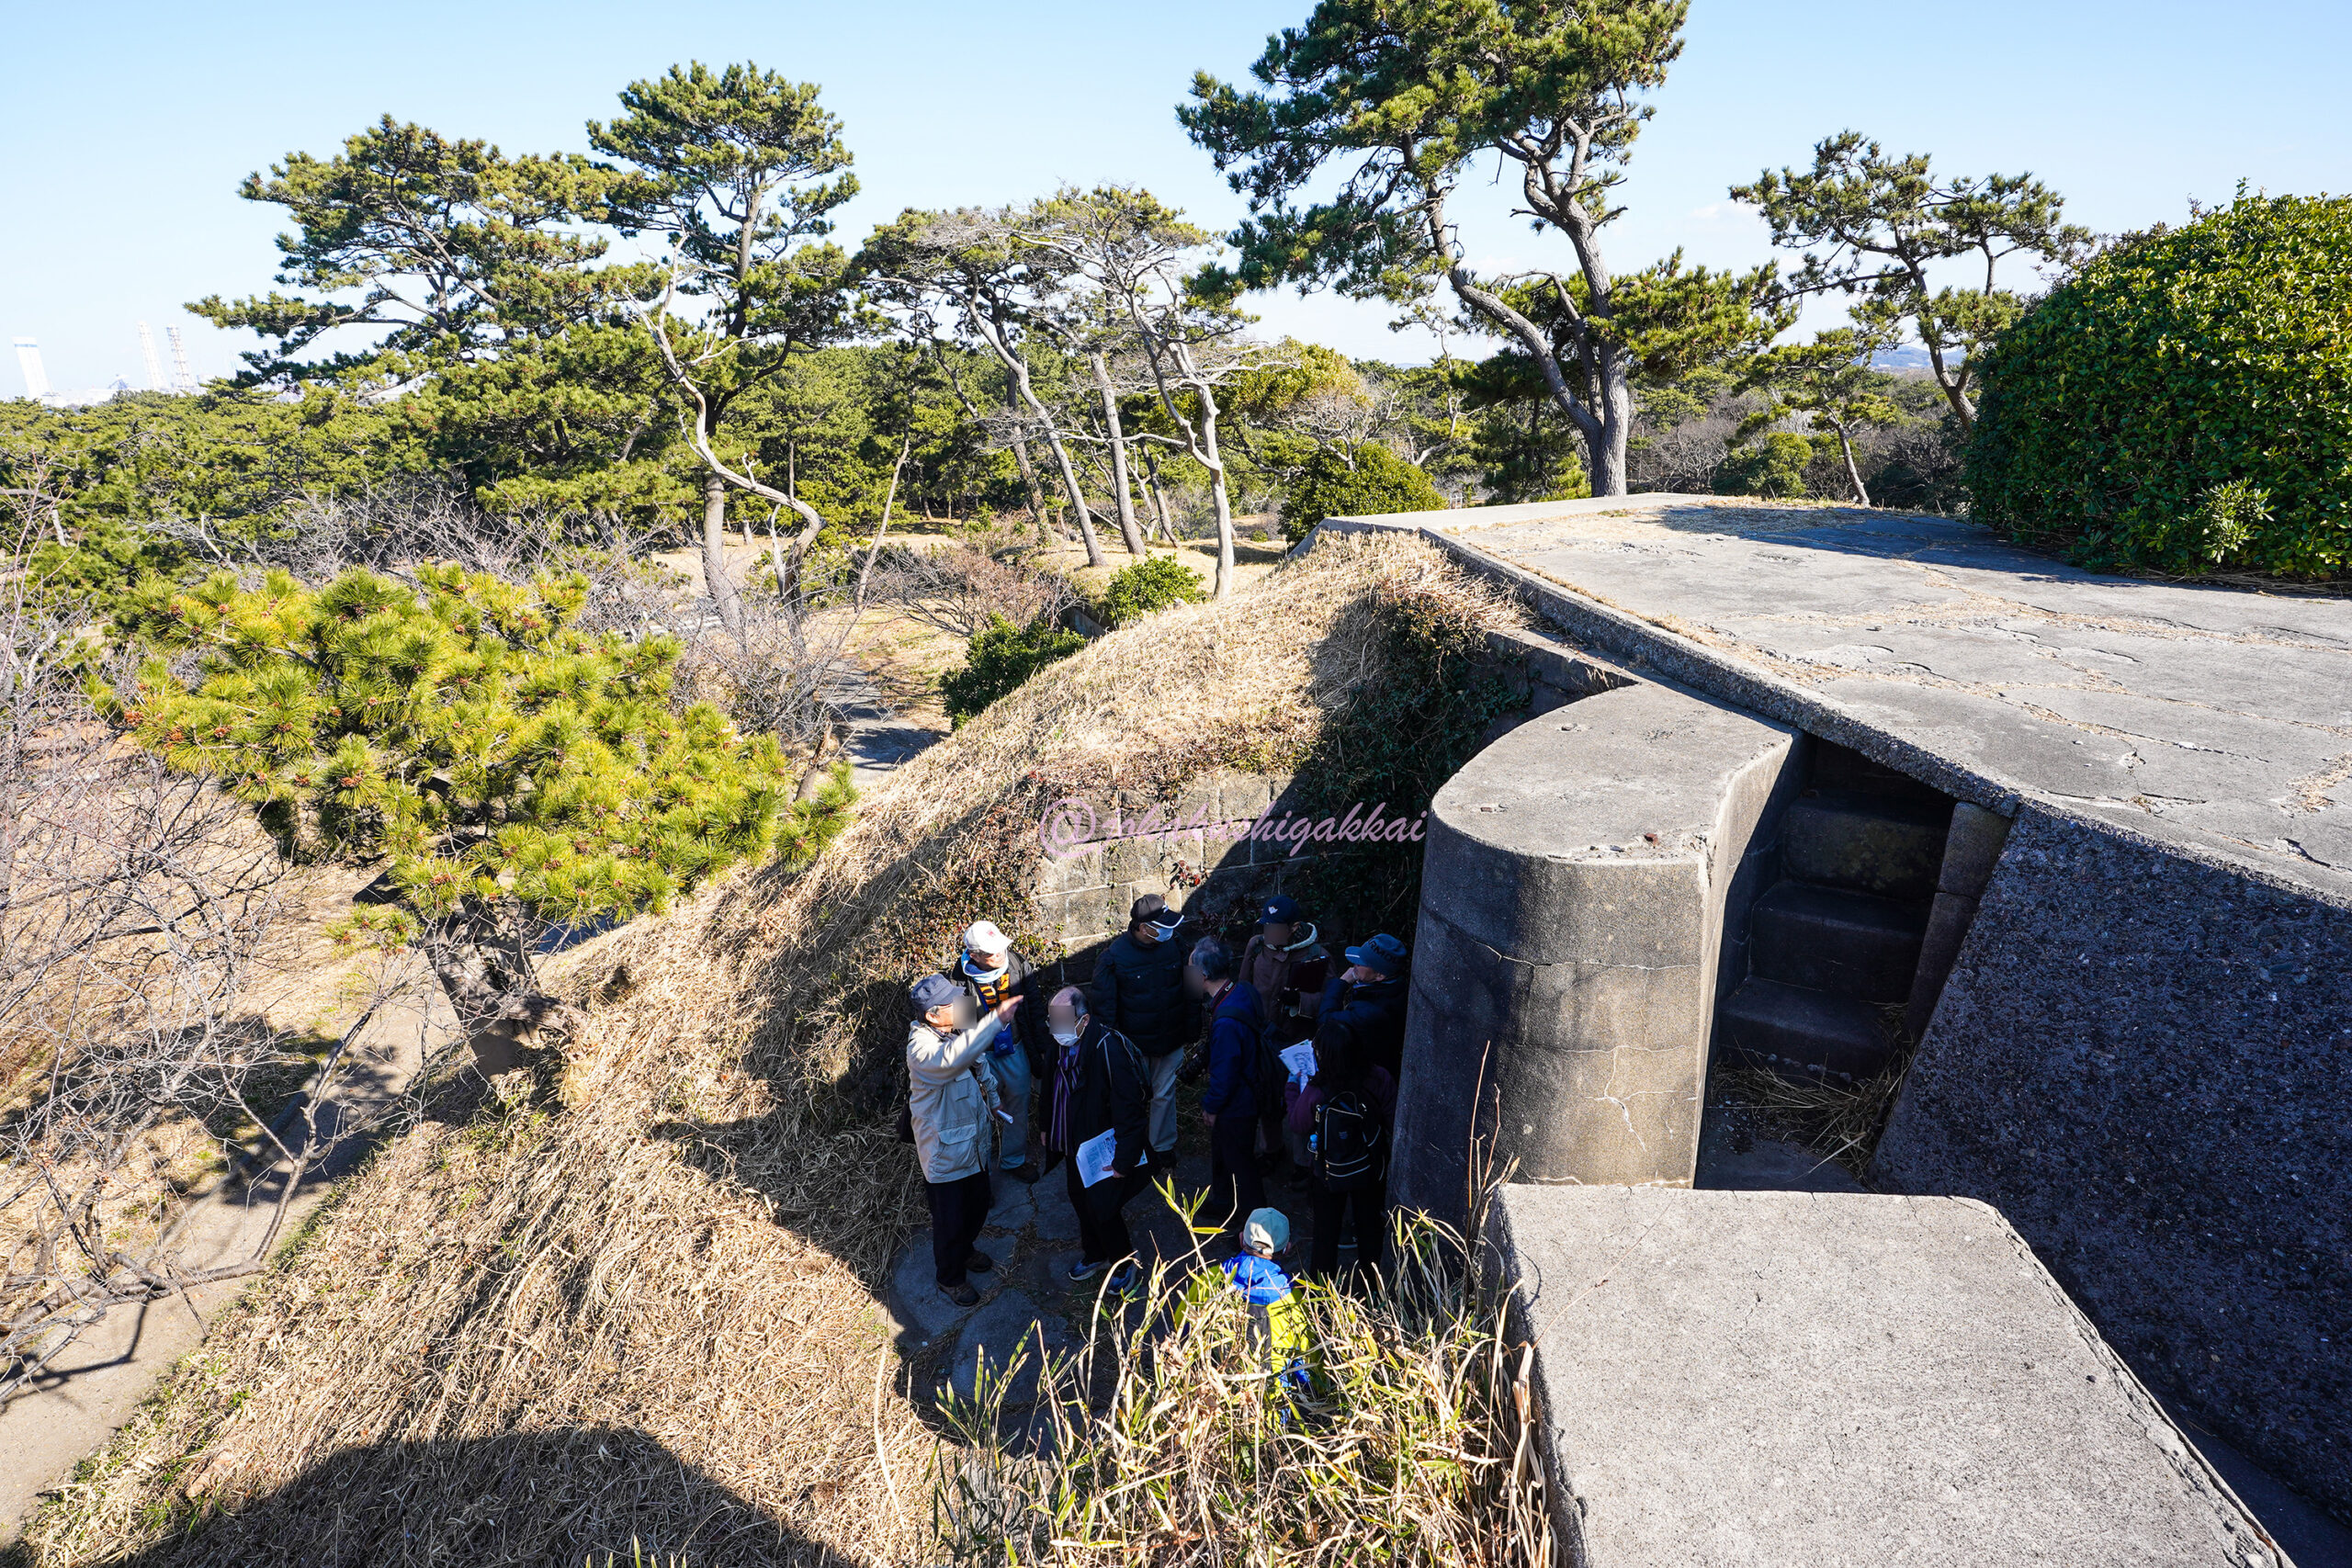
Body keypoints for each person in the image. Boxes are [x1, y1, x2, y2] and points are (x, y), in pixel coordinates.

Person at [906, 972, 1020, 1307]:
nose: (962, 1004)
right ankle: (950, 1277)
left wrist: (993, 1098)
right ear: (933, 1015)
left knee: (978, 1205)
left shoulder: (956, 1023)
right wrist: (994, 1022)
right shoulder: (920, 1049)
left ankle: (966, 1250)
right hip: (945, 1154)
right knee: (950, 1221)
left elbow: (978, 1060)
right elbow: (953, 1058)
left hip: (974, 1143)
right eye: (952, 1002)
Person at [1038, 985, 1151, 1291]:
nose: (1056, 1028)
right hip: (1070, 1143)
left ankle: (1125, 1262)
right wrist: (1046, 1126)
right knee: (1078, 1198)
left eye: (1062, 1021)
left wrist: (1124, 1160)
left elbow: (1130, 1110)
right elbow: (1048, 1088)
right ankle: (1096, 1253)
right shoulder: (1057, 1044)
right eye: (1052, 1021)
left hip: (1100, 1147)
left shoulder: (1108, 1048)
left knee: (1103, 1206)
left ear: (1084, 1020)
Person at [1287, 1014, 1396, 1287]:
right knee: (1370, 1230)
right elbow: (1393, 1118)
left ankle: (1320, 1296)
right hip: (1370, 1167)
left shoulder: (1317, 1089)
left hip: (1327, 1171)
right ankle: (1374, 1289)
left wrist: (1292, 1086)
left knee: (1325, 1235)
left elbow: (1298, 1123)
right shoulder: (1378, 1077)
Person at [1089, 894, 1191, 1160]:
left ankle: (1161, 1149)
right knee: (1131, 1097)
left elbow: (1190, 990)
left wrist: (1191, 1028)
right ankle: (1131, 1149)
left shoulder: (1176, 945)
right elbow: (1105, 1009)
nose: (1169, 931)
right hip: (1134, 1047)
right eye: (1163, 927)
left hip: (1170, 1038)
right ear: (1144, 928)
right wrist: (1115, 1049)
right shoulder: (1114, 958)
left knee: (1164, 1094)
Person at [1238, 894, 1330, 1181]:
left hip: (1298, 1042)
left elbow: (1331, 1000)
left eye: (1275, 928)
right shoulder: (1256, 947)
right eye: (1266, 926)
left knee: (1301, 1103)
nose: (1269, 933)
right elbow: (1243, 986)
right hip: (1264, 1039)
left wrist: (1300, 1001)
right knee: (1266, 1097)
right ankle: (1271, 1150)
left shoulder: (1316, 954)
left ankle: (1304, 1163)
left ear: (1293, 928)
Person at [954, 919, 1046, 1184]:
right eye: (993, 953)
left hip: (1016, 1048)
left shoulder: (1016, 963)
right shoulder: (960, 979)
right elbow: (963, 1028)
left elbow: (1035, 1007)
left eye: (1002, 948)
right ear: (975, 956)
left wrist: (1042, 1048)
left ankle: (1013, 1159)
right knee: (981, 1114)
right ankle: (981, 1175)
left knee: (1019, 1103)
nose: (1001, 955)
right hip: (984, 1055)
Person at [1190, 934, 1265, 1235]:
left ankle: (1256, 1231)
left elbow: (1225, 1073)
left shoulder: (1225, 1023)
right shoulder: (1240, 991)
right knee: (1223, 1153)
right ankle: (1222, 1201)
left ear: (1203, 975)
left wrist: (1211, 1107)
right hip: (1247, 1092)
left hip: (1237, 1105)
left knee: (1242, 1167)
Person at [1223, 1207, 1313, 1395]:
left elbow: (1183, 1327)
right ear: (1287, 1249)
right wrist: (1315, 1391)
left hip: (1214, 1390)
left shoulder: (1210, 1280)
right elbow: (1305, 1359)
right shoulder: (1291, 1299)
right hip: (1272, 1399)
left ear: (1241, 1239)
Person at [1317, 932, 1411, 1077]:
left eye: (1361, 963)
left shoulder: (1369, 1013)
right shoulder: (1397, 986)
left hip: (1364, 1076)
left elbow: (1325, 1021)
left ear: (1380, 975)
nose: (1354, 964)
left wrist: (1341, 983)